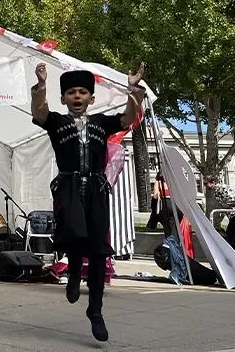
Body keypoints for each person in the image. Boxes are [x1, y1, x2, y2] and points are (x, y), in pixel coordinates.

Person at [31, 62, 146, 342]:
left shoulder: (101, 123)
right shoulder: (57, 122)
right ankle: (72, 273)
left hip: (96, 189)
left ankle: (95, 311)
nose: (78, 97)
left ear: (91, 98)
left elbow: (128, 119)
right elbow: (39, 112)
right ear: (64, 98)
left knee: (97, 250)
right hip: (69, 188)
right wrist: (42, 84)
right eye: (72, 92)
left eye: (83, 92)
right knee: (72, 236)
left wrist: (133, 89)